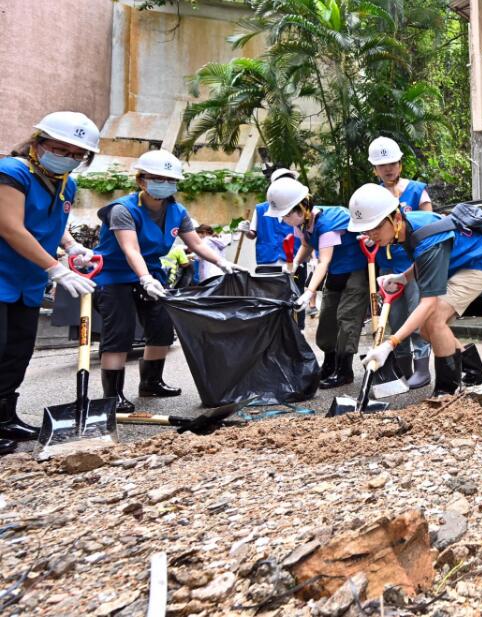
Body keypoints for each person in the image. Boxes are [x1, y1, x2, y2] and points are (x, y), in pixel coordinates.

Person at [93, 150, 244, 413]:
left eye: (170, 180)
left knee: (162, 327)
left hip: (152, 273)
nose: (164, 184)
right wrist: (144, 279)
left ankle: (151, 382)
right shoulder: (122, 210)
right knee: (120, 332)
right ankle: (112, 395)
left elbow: (195, 243)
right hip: (116, 275)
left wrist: (222, 262)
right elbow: (131, 250)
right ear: (141, 180)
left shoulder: (177, 211)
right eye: (157, 178)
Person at [0, 112, 101, 454]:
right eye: (62, 149)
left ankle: (4, 417)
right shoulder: (11, 173)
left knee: (17, 351)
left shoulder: (65, 181)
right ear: (39, 142)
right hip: (3, 274)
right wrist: (56, 269)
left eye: (78, 154)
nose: (70, 158)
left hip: (27, 280)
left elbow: (52, 222)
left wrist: (71, 246)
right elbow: (11, 227)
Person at [348, 184, 482, 396]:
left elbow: (428, 302)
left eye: (376, 227)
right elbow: (421, 260)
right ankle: (473, 373)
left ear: (395, 218)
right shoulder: (407, 228)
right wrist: (403, 277)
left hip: (476, 266)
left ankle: (447, 391)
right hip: (456, 265)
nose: (371, 235)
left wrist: (390, 344)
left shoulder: (426, 237)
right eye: (366, 230)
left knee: (434, 320)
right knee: (427, 330)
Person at [265, 177, 367, 389]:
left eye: (285, 215)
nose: (283, 219)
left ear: (301, 209)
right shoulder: (303, 224)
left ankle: (344, 370)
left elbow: (324, 261)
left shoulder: (328, 224)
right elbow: (306, 244)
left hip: (356, 271)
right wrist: (293, 265)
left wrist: (309, 291)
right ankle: (329, 365)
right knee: (328, 318)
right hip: (336, 272)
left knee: (347, 318)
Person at [368, 136, 432, 389]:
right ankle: (402, 369)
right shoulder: (372, 194)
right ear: (374, 169)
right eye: (382, 165)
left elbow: (431, 226)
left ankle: (422, 369)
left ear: (400, 164)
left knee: (418, 315)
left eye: (393, 163)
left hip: (415, 266)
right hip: (386, 266)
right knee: (394, 317)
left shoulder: (417, 190)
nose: (388, 168)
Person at [237, 167, 301, 273]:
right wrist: (246, 231)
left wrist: (314, 257)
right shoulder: (261, 209)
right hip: (268, 261)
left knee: (295, 289)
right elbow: (252, 234)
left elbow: (309, 234)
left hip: (295, 261)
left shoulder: (300, 208)